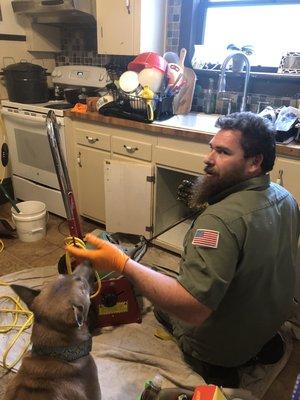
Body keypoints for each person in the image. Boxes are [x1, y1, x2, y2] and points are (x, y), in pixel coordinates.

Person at [66, 112, 300, 388]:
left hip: (221, 346)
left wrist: (122, 263)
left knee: (163, 299)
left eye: (223, 152)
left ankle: (219, 361)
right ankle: (256, 343)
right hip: (268, 323)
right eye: (211, 147)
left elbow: (193, 310)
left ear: (254, 162)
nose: (208, 158)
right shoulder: (285, 197)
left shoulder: (220, 221)